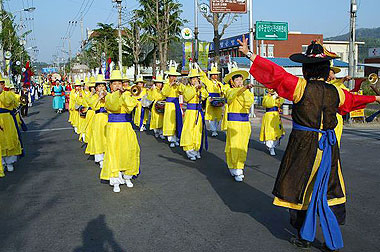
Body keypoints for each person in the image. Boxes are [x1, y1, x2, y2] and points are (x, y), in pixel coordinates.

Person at [238, 37, 380, 251]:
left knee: (300, 187)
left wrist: (250, 54)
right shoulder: (337, 92)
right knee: (328, 189)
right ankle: (330, 240)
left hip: (303, 147)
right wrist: (375, 99)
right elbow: (353, 101)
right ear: (326, 69)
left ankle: (304, 236)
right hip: (328, 147)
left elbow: (277, 75)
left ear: (305, 69)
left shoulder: (299, 86)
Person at [100, 70, 140, 193]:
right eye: (114, 84)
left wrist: (127, 95)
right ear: (110, 86)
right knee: (114, 153)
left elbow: (131, 107)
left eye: (119, 83)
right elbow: (114, 106)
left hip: (126, 127)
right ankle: (115, 180)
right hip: (113, 128)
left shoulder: (126, 94)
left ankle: (128, 176)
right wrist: (119, 95)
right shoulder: (108, 97)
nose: (117, 86)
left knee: (130, 150)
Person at [222, 62, 255, 182]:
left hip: (245, 123)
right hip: (234, 123)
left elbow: (248, 103)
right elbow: (230, 96)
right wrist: (243, 89)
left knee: (243, 146)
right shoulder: (229, 90)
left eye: (241, 80)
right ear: (232, 82)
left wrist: (244, 90)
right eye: (237, 80)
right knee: (234, 145)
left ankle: (239, 166)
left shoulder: (247, 93)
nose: (240, 82)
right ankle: (235, 167)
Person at [180, 64, 209, 160]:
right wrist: (194, 88)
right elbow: (187, 97)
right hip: (190, 113)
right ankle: (189, 150)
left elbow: (205, 96)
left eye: (196, 79)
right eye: (193, 79)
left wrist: (200, 89)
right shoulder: (187, 88)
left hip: (198, 112)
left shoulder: (201, 88)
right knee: (189, 130)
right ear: (190, 80)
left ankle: (196, 149)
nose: (195, 80)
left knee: (198, 131)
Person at [0, 74, 22, 172]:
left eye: (1, 83)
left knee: (10, 139)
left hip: (7, 119)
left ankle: (9, 162)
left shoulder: (8, 94)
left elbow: (8, 102)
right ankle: (2, 163)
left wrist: (2, 93)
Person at [85, 74, 109, 169]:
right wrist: (99, 98)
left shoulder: (108, 95)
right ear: (96, 88)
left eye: (103, 86)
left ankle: (107, 155)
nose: (101, 88)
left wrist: (106, 97)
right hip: (98, 118)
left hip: (107, 118)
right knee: (98, 138)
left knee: (106, 137)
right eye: (99, 86)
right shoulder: (94, 97)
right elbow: (93, 106)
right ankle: (100, 158)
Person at [162, 61, 185, 148]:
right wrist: (170, 85)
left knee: (177, 120)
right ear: (169, 77)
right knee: (170, 122)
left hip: (176, 103)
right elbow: (164, 93)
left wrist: (179, 85)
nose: (173, 78)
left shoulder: (178, 84)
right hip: (169, 105)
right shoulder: (166, 84)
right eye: (172, 76)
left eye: (175, 76)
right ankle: (171, 139)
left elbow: (183, 91)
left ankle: (177, 137)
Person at [327, 63, 351, 147]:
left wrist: (342, 80)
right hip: (325, 116)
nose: (332, 75)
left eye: (332, 73)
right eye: (330, 73)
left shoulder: (338, 83)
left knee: (336, 140)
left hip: (336, 115)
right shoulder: (325, 84)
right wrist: (343, 79)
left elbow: (346, 95)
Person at [199, 63, 225, 137]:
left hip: (218, 100)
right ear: (210, 75)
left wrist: (221, 90)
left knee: (218, 115)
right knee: (211, 116)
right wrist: (198, 68)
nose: (215, 76)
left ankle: (215, 128)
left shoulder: (219, 83)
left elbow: (222, 92)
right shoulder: (208, 82)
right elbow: (203, 76)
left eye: (216, 75)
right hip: (211, 99)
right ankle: (213, 130)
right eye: (213, 75)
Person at [259, 89, 285, 156]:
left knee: (276, 131)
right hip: (269, 116)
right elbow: (267, 104)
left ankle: (273, 145)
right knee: (270, 131)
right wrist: (273, 97)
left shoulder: (277, 96)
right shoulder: (266, 97)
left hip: (276, 116)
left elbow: (281, 102)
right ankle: (271, 147)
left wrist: (279, 96)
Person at [147, 71, 166, 139]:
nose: (159, 84)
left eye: (160, 83)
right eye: (158, 83)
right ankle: (156, 131)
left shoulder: (163, 90)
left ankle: (161, 132)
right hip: (155, 106)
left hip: (162, 105)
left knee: (162, 119)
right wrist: (153, 90)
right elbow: (151, 98)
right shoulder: (153, 89)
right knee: (155, 119)